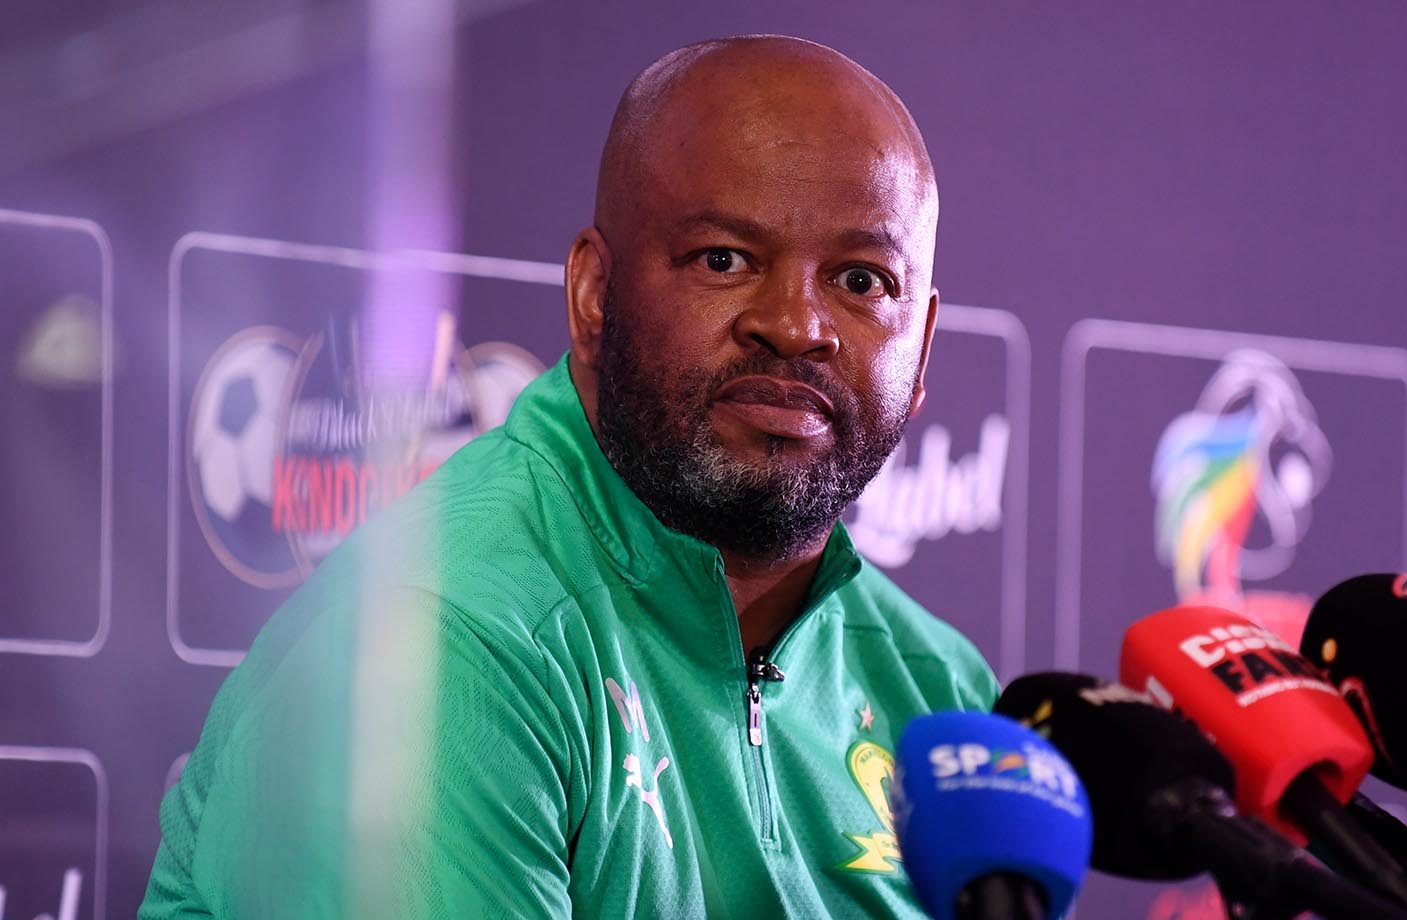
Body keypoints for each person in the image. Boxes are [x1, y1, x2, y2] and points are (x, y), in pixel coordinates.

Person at [141, 35, 999, 919]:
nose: (794, 325)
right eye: (724, 259)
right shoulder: (438, 646)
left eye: (862, 280)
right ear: (595, 294)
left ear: (922, 349)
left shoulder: (938, 695)